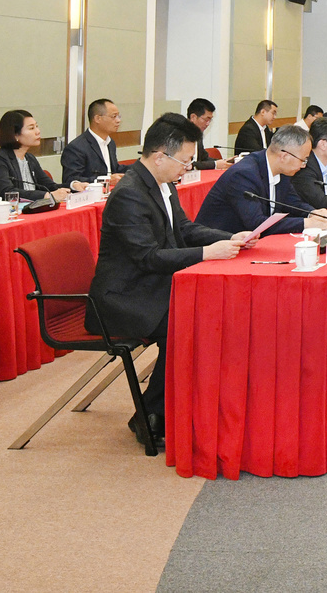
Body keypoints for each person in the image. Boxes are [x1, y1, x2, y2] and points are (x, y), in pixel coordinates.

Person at [89, 113, 250, 450]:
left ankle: (176, 407)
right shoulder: (130, 194)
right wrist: (206, 253)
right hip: (123, 297)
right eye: (185, 161)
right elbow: (148, 257)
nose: (187, 168)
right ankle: (150, 413)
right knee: (189, 323)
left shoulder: (162, 184)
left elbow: (185, 229)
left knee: (207, 313)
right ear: (160, 156)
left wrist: (229, 237)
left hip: (151, 285)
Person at [196, 125, 327, 237]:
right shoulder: (243, 175)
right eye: (303, 160)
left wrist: (312, 213)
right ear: (284, 156)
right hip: (220, 244)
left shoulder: (282, 170)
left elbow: (293, 202)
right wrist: (306, 223)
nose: (304, 165)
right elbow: (256, 223)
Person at [0, 110, 86, 201]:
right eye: (31, 128)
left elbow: (50, 186)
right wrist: (46, 195)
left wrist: (73, 186)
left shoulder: (29, 158)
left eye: (37, 126)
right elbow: (8, 192)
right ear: (15, 135)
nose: (38, 131)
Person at [60, 98, 131, 186]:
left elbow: (114, 170)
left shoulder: (110, 143)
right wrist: (106, 180)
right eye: (114, 116)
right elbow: (71, 180)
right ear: (97, 118)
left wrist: (142, 164)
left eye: (118, 116)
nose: (118, 120)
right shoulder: (76, 147)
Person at [186, 98, 230, 171]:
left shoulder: (198, 134)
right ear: (193, 117)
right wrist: (215, 164)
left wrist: (225, 162)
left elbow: (204, 159)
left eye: (210, 120)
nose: (208, 124)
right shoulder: (180, 135)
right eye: (206, 119)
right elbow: (188, 164)